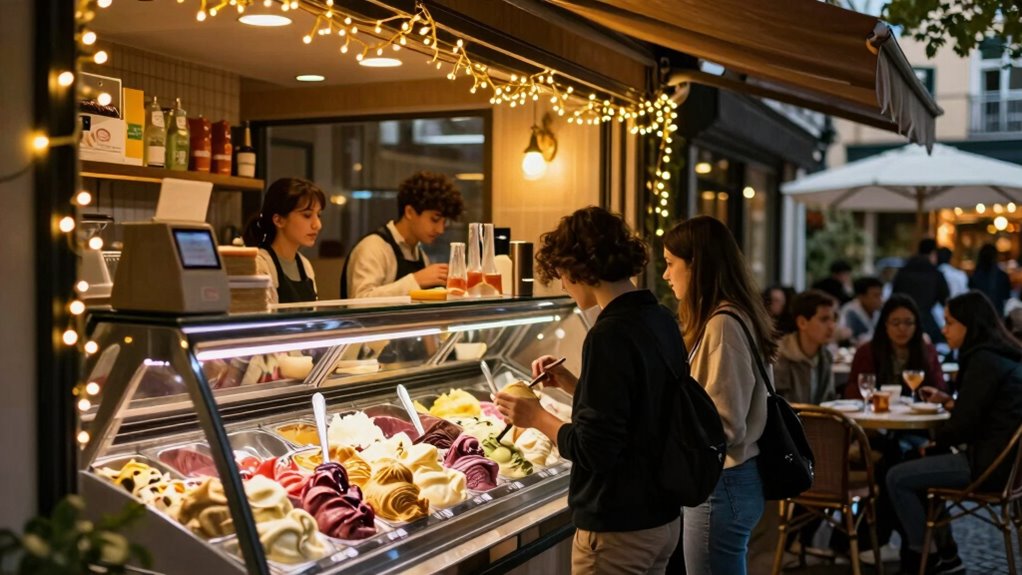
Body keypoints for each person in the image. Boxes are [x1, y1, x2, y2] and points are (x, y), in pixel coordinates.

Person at [493, 207, 681, 575]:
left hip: (618, 526)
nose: (562, 284)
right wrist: (573, 384)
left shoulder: (609, 334)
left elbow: (594, 449)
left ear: (580, 268)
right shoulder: (657, 317)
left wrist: (535, 417)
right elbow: (635, 411)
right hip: (661, 518)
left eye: (562, 273)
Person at [661, 215, 774, 574]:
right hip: (730, 481)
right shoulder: (729, 317)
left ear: (696, 266)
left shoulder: (723, 324)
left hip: (722, 482)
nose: (666, 275)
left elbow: (724, 425)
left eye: (670, 264)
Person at [887, 290, 1022, 573]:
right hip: (1009, 468)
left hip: (985, 467)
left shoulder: (983, 360)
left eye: (950, 323)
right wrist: (949, 402)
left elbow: (962, 426)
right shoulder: (1000, 354)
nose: (944, 329)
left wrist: (932, 446)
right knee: (911, 461)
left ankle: (922, 555)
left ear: (968, 324)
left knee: (897, 475)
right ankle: (946, 555)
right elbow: (984, 411)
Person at [340, 171, 464, 298]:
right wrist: (416, 280)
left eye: (445, 222)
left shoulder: (421, 255)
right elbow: (359, 301)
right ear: (409, 212)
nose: (440, 230)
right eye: (435, 219)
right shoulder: (373, 248)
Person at [845, 294, 945, 400]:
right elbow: (853, 391)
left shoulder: (927, 350)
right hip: (877, 412)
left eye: (908, 322)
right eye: (895, 323)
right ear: (885, 324)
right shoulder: (866, 351)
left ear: (916, 325)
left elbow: (939, 388)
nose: (902, 328)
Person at [243, 177, 325, 305]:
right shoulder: (260, 265)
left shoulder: (305, 265)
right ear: (279, 220)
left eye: (318, 215)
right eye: (307, 215)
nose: (317, 225)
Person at [774, 290, 838, 405]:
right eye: (824, 319)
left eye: (833, 319)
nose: (832, 326)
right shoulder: (778, 355)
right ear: (802, 323)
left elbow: (829, 401)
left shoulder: (825, 356)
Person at [891, 239, 950, 344]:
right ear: (933, 253)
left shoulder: (904, 270)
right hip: (926, 322)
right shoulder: (935, 273)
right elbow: (945, 299)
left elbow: (894, 296)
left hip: (903, 321)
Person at [969, 243, 1011, 317]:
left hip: (979, 316)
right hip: (997, 316)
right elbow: (1006, 297)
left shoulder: (975, 276)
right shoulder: (1002, 276)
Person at [839, 276, 884, 345]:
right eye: (876, 296)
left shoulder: (879, 311)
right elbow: (843, 335)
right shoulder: (849, 311)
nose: (880, 299)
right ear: (861, 297)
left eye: (881, 295)